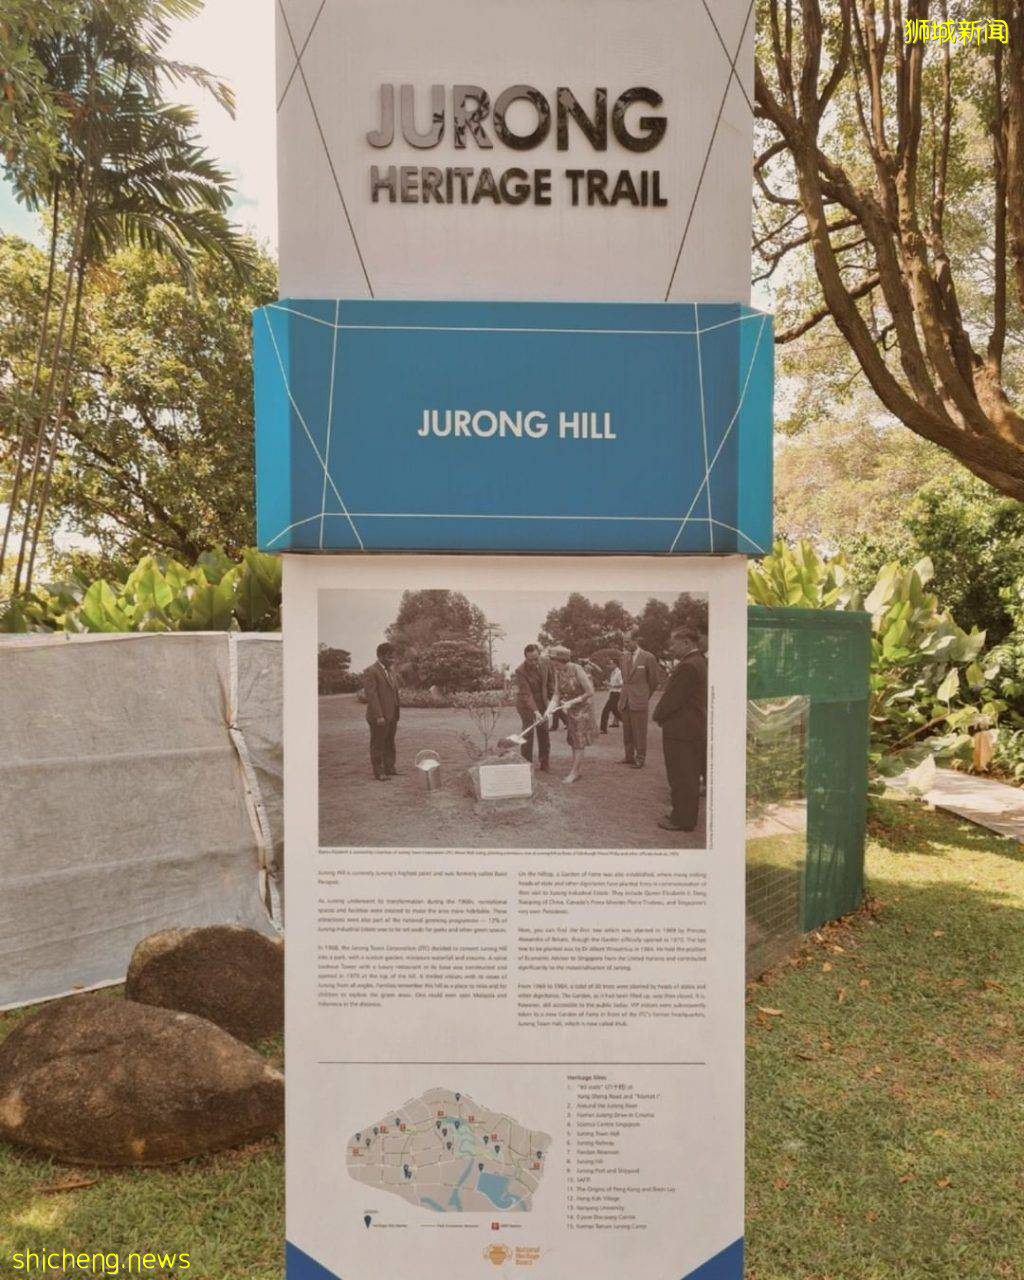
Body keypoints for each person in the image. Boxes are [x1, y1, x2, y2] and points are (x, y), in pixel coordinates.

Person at [652, 625, 708, 832]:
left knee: (681, 775)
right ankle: (683, 815)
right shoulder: (700, 661)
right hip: (692, 727)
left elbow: (673, 698)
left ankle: (682, 819)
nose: (671, 648)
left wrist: (658, 715)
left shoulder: (688, 665)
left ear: (686, 642)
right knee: (689, 774)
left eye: (674, 643)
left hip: (681, 729)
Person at [547, 645, 596, 784]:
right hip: (571, 709)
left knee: (579, 740)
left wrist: (573, 701)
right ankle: (576, 770)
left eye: (554, 661)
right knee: (573, 739)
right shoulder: (557, 672)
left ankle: (574, 773)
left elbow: (590, 691)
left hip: (583, 709)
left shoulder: (577, 669)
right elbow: (557, 693)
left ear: (562, 660)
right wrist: (549, 709)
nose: (553, 664)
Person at [618, 634, 661, 768]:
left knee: (639, 731)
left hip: (640, 700)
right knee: (627, 730)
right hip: (625, 700)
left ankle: (640, 758)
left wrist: (644, 695)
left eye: (628, 642)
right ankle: (629, 756)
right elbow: (625, 680)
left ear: (636, 640)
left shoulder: (648, 657)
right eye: (624, 642)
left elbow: (654, 681)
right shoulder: (623, 657)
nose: (625, 645)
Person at [513, 643, 556, 771]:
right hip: (525, 705)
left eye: (536, 658)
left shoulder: (546, 663)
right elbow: (527, 694)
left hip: (542, 703)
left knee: (544, 731)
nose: (534, 662)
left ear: (539, 654)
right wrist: (535, 711)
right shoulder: (520, 671)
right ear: (525, 657)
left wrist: (554, 702)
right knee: (528, 733)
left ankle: (544, 762)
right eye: (530, 659)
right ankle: (527, 763)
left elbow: (550, 685)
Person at [362, 641, 401, 781]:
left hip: (392, 715)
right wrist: (379, 715)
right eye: (390, 657)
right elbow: (372, 695)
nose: (393, 660)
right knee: (378, 743)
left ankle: (390, 768)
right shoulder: (371, 671)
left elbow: (393, 692)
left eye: (394, 657)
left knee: (390, 742)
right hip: (379, 716)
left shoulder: (391, 671)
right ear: (380, 656)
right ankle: (379, 772)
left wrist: (396, 711)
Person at [600, 661, 623, 732]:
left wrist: (611, 685)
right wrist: (608, 685)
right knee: (615, 711)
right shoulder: (613, 673)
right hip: (612, 693)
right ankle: (629, 723)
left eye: (610, 664)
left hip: (616, 694)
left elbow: (622, 684)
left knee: (605, 710)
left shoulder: (619, 673)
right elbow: (612, 684)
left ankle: (603, 729)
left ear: (615, 664)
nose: (609, 666)